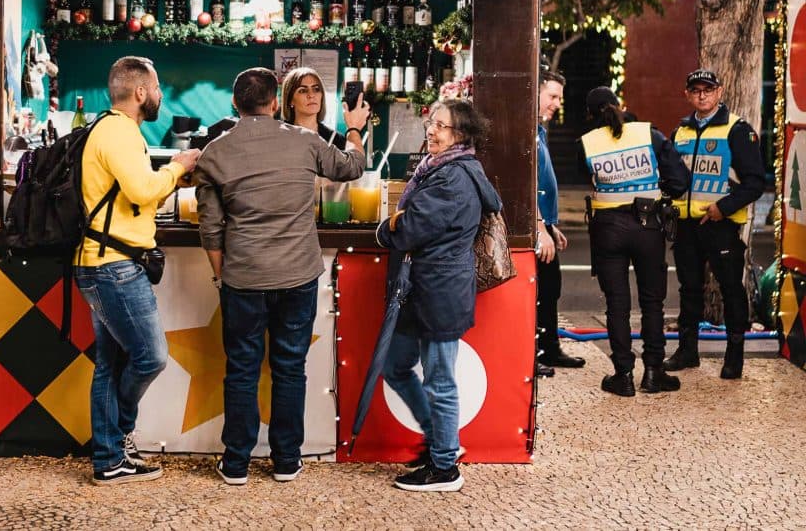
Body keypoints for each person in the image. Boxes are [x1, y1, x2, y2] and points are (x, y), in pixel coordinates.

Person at [195, 67, 369, 485]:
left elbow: (210, 228)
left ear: (235, 105)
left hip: (243, 277)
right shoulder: (305, 141)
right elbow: (352, 168)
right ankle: (286, 460)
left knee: (241, 368)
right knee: (290, 368)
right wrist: (355, 129)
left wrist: (222, 275)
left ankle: (236, 463)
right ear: (276, 102)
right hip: (297, 275)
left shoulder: (214, 153)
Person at [74, 56, 201, 485]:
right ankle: (118, 434)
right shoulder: (120, 133)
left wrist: (172, 180)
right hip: (113, 268)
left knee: (110, 365)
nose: (162, 94)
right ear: (142, 92)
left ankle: (109, 458)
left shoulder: (109, 129)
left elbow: (131, 197)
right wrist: (179, 166)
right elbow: (142, 189)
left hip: (103, 262)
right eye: (158, 86)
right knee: (150, 357)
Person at [377, 99, 501, 493]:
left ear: (460, 135)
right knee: (396, 365)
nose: (432, 130)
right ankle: (440, 439)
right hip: (426, 289)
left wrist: (386, 229)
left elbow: (410, 229)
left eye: (442, 127)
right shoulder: (441, 168)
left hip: (439, 289)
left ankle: (445, 466)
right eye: (432, 123)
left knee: (440, 380)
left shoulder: (453, 177)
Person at [580, 87, 689, 397]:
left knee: (617, 305)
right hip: (648, 225)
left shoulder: (587, 143)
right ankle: (653, 372)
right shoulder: (649, 135)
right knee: (652, 301)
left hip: (607, 230)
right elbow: (680, 182)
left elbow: (583, 174)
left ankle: (623, 376)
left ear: (591, 115)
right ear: (619, 105)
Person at [664, 69, 765, 379]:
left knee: (732, 290)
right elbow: (670, 176)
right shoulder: (680, 132)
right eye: (695, 90)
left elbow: (755, 183)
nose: (702, 95)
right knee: (689, 289)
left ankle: (734, 357)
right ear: (687, 95)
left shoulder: (737, 130)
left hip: (720, 225)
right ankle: (687, 351)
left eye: (708, 89)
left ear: (719, 92)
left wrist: (724, 208)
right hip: (686, 226)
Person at [535, 68, 585, 376]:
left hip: (545, 226)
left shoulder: (539, 131)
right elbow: (526, 187)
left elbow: (542, 186)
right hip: (535, 230)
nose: (556, 104)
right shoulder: (527, 132)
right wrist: (541, 228)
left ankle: (550, 349)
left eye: (559, 98)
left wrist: (552, 224)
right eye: (552, 96)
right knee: (539, 293)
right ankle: (536, 353)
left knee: (551, 289)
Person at [280, 67, 346, 149]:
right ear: (290, 100)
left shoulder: (336, 140)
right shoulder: (278, 135)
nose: (311, 95)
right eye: (303, 90)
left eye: (316, 89)